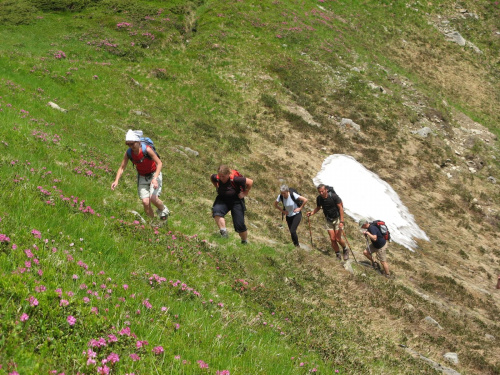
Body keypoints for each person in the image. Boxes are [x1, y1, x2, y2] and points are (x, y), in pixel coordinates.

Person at [111, 130, 169, 221]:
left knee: (153, 198)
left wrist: (155, 178)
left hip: (154, 174)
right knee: (145, 202)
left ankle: (163, 210)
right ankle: (153, 223)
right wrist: (116, 180)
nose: (131, 146)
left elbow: (159, 163)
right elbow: (122, 167)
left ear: (138, 142)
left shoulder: (147, 150)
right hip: (142, 176)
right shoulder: (129, 153)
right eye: (128, 144)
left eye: (132, 144)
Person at [210, 165, 253, 244]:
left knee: (239, 225)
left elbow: (250, 182)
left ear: (228, 174)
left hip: (236, 201)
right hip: (222, 199)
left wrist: (245, 193)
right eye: (220, 176)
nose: (221, 178)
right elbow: (211, 177)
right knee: (216, 212)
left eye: (223, 176)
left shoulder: (236, 179)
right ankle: (224, 233)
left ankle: (244, 241)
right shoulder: (217, 177)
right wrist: (216, 186)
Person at [306, 184, 349, 260]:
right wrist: (311, 213)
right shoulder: (319, 198)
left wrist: (342, 221)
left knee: (338, 238)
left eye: (322, 191)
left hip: (337, 219)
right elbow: (318, 207)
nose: (321, 193)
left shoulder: (334, 196)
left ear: (326, 190)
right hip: (328, 220)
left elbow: (340, 208)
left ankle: (345, 249)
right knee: (332, 239)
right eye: (319, 192)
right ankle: (338, 254)